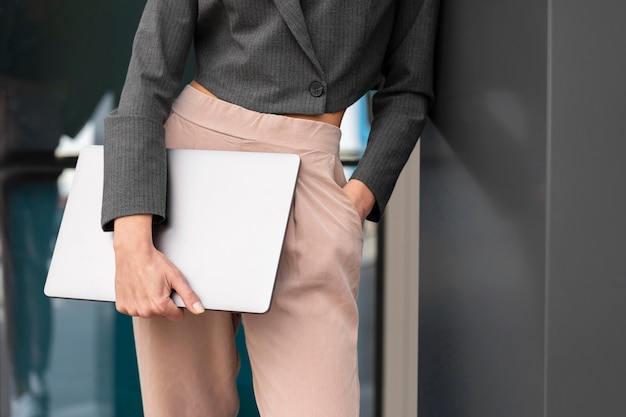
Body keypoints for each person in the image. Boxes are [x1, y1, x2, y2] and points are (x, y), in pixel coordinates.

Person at [102, 0, 439, 416]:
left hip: (309, 175)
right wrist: (131, 238)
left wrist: (353, 204)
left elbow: (409, 88)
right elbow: (148, 74)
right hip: (191, 170)